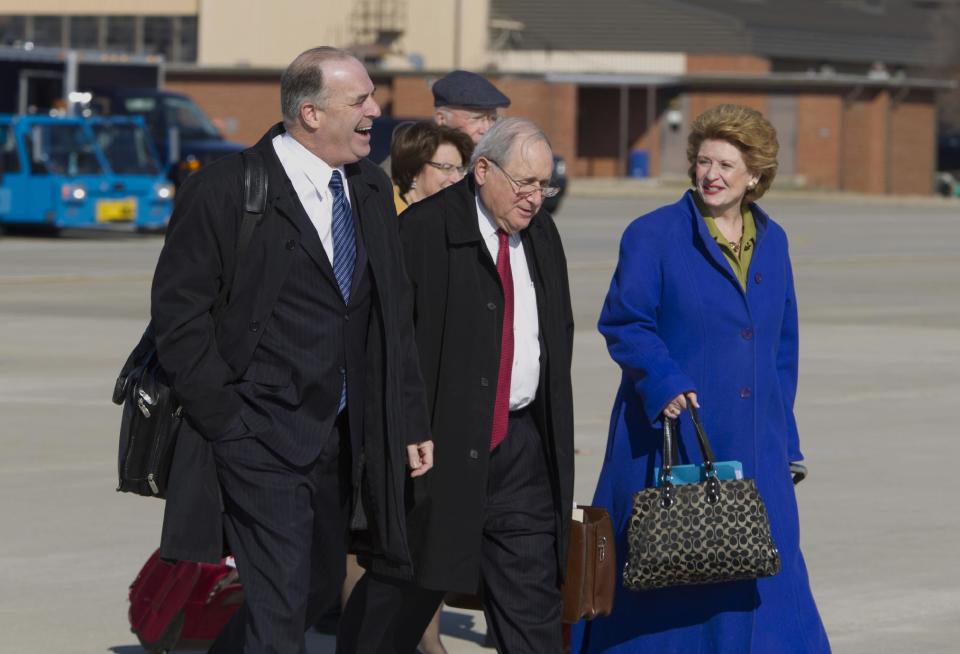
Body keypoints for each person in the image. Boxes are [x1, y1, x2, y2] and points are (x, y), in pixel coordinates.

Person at [150, 46, 433, 654]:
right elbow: (179, 317)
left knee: (315, 585)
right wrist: (227, 422)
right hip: (257, 435)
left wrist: (407, 419)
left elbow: (393, 318)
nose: (374, 110)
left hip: (342, 438)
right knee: (281, 602)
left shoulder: (369, 188)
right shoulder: (228, 189)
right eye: (359, 100)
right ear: (310, 113)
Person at [571, 104, 830, 653]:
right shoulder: (654, 234)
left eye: (726, 165)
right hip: (671, 439)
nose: (710, 175)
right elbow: (625, 320)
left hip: (758, 447)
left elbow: (782, 349)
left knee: (768, 585)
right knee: (668, 581)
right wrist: (662, 381)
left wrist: (788, 441)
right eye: (703, 161)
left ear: (755, 175)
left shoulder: (774, 240)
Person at [339, 117, 575, 653]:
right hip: (435, 449)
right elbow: (386, 343)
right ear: (483, 170)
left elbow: (553, 337)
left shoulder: (540, 234)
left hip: (520, 449)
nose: (536, 198)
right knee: (404, 592)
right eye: (525, 184)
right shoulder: (422, 232)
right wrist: (407, 424)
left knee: (532, 607)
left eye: (545, 186)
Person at [391, 120, 474, 211]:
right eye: (446, 168)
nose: (457, 179)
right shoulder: (387, 212)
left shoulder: (455, 214)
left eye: (460, 169)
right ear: (413, 171)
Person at [432, 69, 511, 144]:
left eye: (493, 118)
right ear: (441, 119)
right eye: (476, 118)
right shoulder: (423, 157)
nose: (486, 130)